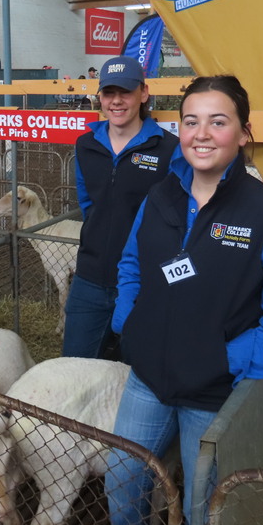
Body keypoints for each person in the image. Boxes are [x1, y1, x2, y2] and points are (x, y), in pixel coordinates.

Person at [104, 75, 263, 525]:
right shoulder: (160, 197)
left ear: (242, 133)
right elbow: (132, 262)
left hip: (212, 393)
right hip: (147, 379)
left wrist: (220, 359)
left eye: (218, 122)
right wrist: (129, 322)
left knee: (204, 509)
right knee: (121, 481)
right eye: (190, 121)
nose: (201, 133)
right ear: (179, 129)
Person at [62, 56, 179, 359]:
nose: (116, 101)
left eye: (125, 92)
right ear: (99, 97)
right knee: (75, 366)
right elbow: (88, 204)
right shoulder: (86, 145)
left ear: (143, 93)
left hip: (144, 281)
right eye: (109, 93)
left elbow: (176, 216)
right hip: (90, 276)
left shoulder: (168, 149)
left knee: (135, 370)